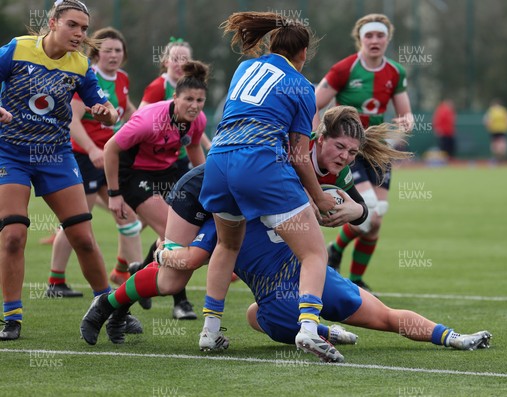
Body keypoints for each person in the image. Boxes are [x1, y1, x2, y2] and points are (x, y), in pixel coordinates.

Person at [79, 107, 414, 357]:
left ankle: (128, 300)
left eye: (352, 153)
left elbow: (359, 210)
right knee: (178, 272)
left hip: (237, 198)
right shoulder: (295, 151)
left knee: (173, 279)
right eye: (341, 148)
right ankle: (107, 303)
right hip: (204, 189)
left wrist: (356, 209)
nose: (345, 157)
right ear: (319, 138)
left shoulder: (333, 167)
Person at [80, 202, 492, 358]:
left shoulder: (253, 202)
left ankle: (452, 337)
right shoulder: (260, 203)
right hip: (308, 285)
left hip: (294, 294)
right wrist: (167, 250)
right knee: (384, 317)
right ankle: (453, 337)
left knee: (258, 315)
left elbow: (191, 260)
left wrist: (163, 251)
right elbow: (195, 258)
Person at [196, 11, 340, 361]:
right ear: (303, 53)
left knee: (227, 246)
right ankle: (307, 329)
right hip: (258, 163)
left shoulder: (244, 68)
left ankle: (209, 331)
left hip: (217, 160)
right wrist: (319, 197)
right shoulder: (303, 87)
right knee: (314, 252)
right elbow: (298, 154)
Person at [0, 0, 117, 340]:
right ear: (52, 22)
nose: (80, 34)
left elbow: (105, 106)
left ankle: (105, 309)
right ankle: (12, 318)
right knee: (13, 235)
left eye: (84, 28)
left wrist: (106, 113)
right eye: (73, 25)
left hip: (56, 156)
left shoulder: (80, 65)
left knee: (81, 236)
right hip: (11, 154)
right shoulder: (17, 49)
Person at [313, 14, 414, 291]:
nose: (374, 40)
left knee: (377, 219)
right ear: (360, 39)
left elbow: (405, 113)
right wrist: (314, 138)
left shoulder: (395, 72)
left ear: (387, 39)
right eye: (369, 35)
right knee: (368, 209)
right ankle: (337, 255)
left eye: (380, 35)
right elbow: (313, 104)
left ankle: (353, 276)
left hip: (377, 150)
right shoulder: (344, 69)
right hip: (350, 149)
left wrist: (406, 121)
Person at [103, 60, 207, 320]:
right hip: (134, 173)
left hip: (168, 170)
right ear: (175, 98)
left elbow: (194, 149)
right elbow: (110, 149)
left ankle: (140, 271)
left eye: (200, 100)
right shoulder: (148, 120)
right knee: (173, 234)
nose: (194, 106)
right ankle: (180, 303)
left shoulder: (198, 120)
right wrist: (114, 194)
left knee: (187, 230)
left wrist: (209, 187)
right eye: (188, 99)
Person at [45, 27, 142, 298]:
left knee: (128, 217)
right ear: (96, 53)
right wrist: (91, 150)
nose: (113, 55)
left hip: (109, 159)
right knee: (76, 221)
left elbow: (128, 111)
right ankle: (56, 282)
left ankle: (130, 281)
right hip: (85, 158)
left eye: (118, 50)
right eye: (107, 50)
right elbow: (73, 119)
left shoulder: (122, 79)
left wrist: (148, 121)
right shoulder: (87, 76)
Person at [139, 37, 212, 170]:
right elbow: (140, 117)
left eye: (185, 60)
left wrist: (207, 144)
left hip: (181, 153)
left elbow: (195, 122)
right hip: (159, 154)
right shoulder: (159, 86)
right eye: (175, 59)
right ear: (166, 62)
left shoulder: (191, 88)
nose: (180, 64)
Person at [483, 99, 507, 164]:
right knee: (499, 146)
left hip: (497, 130)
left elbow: (487, 121)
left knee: (497, 146)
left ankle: (499, 159)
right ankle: (499, 159)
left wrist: (488, 126)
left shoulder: (492, 110)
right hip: (500, 130)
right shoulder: (503, 110)